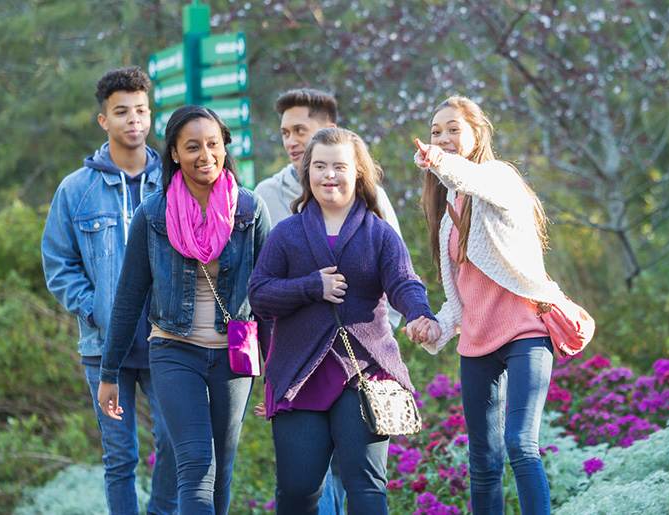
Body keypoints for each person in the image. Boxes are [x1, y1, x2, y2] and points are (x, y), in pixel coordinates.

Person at [248, 127, 440, 515]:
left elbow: (404, 281)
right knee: (298, 493)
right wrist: (310, 287)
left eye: (338, 166)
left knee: (367, 490)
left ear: (358, 173)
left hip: (366, 373)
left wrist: (421, 314)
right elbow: (259, 294)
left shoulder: (380, 234)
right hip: (299, 375)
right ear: (307, 174)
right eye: (319, 166)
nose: (328, 175)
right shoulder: (286, 233)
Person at [97, 105, 271, 514]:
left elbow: (268, 297)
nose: (205, 155)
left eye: (213, 145)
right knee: (196, 466)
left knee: (222, 470)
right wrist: (109, 373)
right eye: (192, 147)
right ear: (174, 153)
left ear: (225, 148)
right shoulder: (153, 214)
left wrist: (277, 372)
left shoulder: (250, 210)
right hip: (175, 350)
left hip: (234, 356)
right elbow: (128, 298)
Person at [413, 95, 565, 515]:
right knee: (483, 461)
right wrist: (435, 327)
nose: (443, 138)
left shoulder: (498, 179)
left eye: (453, 129)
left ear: (478, 133)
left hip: (525, 333)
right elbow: (460, 298)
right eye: (435, 132)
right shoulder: (447, 214)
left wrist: (440, 162)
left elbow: (471, 179)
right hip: (477, 343)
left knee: (520, 442)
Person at [41, 66, 177, 514]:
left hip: (167, 339)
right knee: (120, 457)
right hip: (105, 347)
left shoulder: (174, 183)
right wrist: (97, 309)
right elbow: (59, 264)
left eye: (141, 110)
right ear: (104, 120)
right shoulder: (76, 190)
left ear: (150, 115)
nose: (133, 120)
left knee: (174, 441)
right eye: (121, 112)